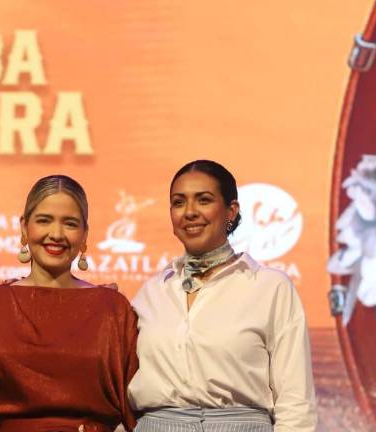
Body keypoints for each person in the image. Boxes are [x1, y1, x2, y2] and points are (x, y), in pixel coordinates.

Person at [128, 160, 317, 431]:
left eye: (203, 200)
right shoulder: (151, 292)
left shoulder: (269, 287)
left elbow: (296, 401)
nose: (190, 212)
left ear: (231, 211)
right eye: (179, 202)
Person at [0, 175, 139, 432]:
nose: (56, 234)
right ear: (24, 228)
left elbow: (138, 406)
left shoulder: (113, 310)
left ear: (84, 234)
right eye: (44, 220)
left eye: (69, 223)